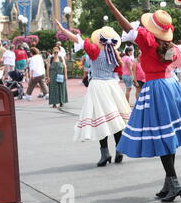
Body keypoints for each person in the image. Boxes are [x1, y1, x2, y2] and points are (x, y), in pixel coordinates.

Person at [102, 0, 181, 202]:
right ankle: (169, 181)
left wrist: (113, 8)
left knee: (161, 136)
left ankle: (174, 182)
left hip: (156, 88)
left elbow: (127, 27)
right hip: (171, 85)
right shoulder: (172, 47)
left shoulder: (148, 41)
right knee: (167, 134)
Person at [55, 19, 130, 167]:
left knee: (100, 118)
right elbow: (119, 71)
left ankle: (105, 153)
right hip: (112, 86)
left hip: (98, 86)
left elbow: (77, 39)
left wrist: (63, 30)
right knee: (115, 120)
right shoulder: (115, 54)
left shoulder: (95, 51)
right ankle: (119, 150)